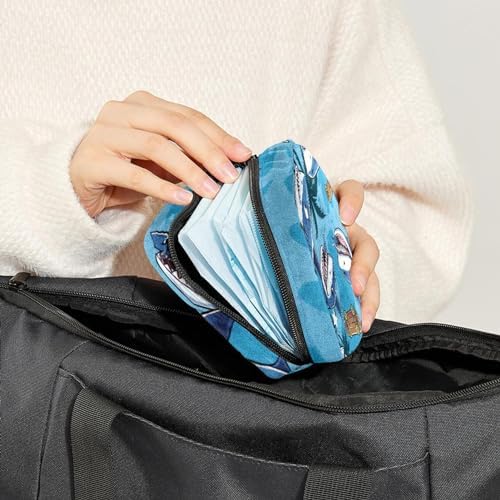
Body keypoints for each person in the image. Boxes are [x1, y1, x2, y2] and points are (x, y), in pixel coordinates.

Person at [0, 1, 472, 329]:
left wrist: (334, 260)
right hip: (33, 404)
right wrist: (51, 200)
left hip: (250, 424)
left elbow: (416, 215)